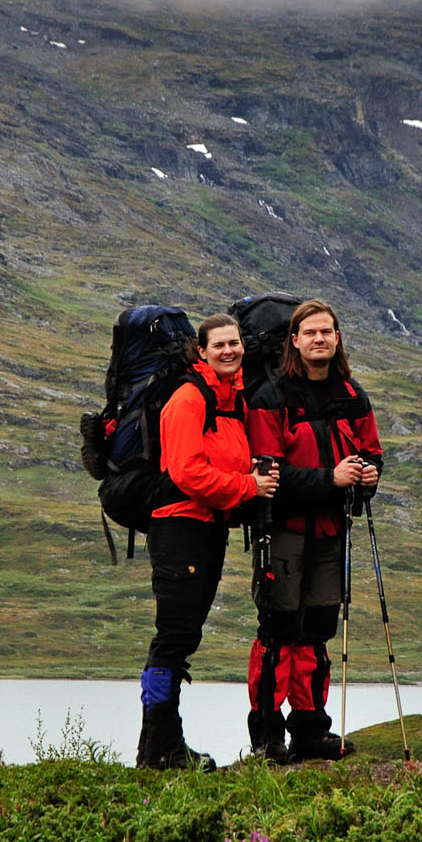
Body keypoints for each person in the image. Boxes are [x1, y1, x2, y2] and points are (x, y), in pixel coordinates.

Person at [137, 313, 280, 770]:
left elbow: (223, 463)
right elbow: (186, 472)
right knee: (172, 640)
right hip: (180, 527)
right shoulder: (188, 398)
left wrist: (250, 480)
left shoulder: (230, 400)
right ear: (201, 351)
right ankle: (165, 748)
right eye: (218, 345)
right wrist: (248, 489)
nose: (229, 351)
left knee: (180, 639)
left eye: (234, 343)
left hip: (208, 528)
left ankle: (157, 750)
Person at [244, 299, 383, 761]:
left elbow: (372, 453)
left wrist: (369, 476)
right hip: (282, 531)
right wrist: (332, 479)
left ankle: (310, 731)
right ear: (295, 341)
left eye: (327, 332)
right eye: (310, 333)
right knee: (278, 631)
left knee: (317, 631)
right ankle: (267, 737)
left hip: (330, 532)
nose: (319, 339)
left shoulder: (352, 395)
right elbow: (268, 472)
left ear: (337, 338)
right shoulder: (271, 397)